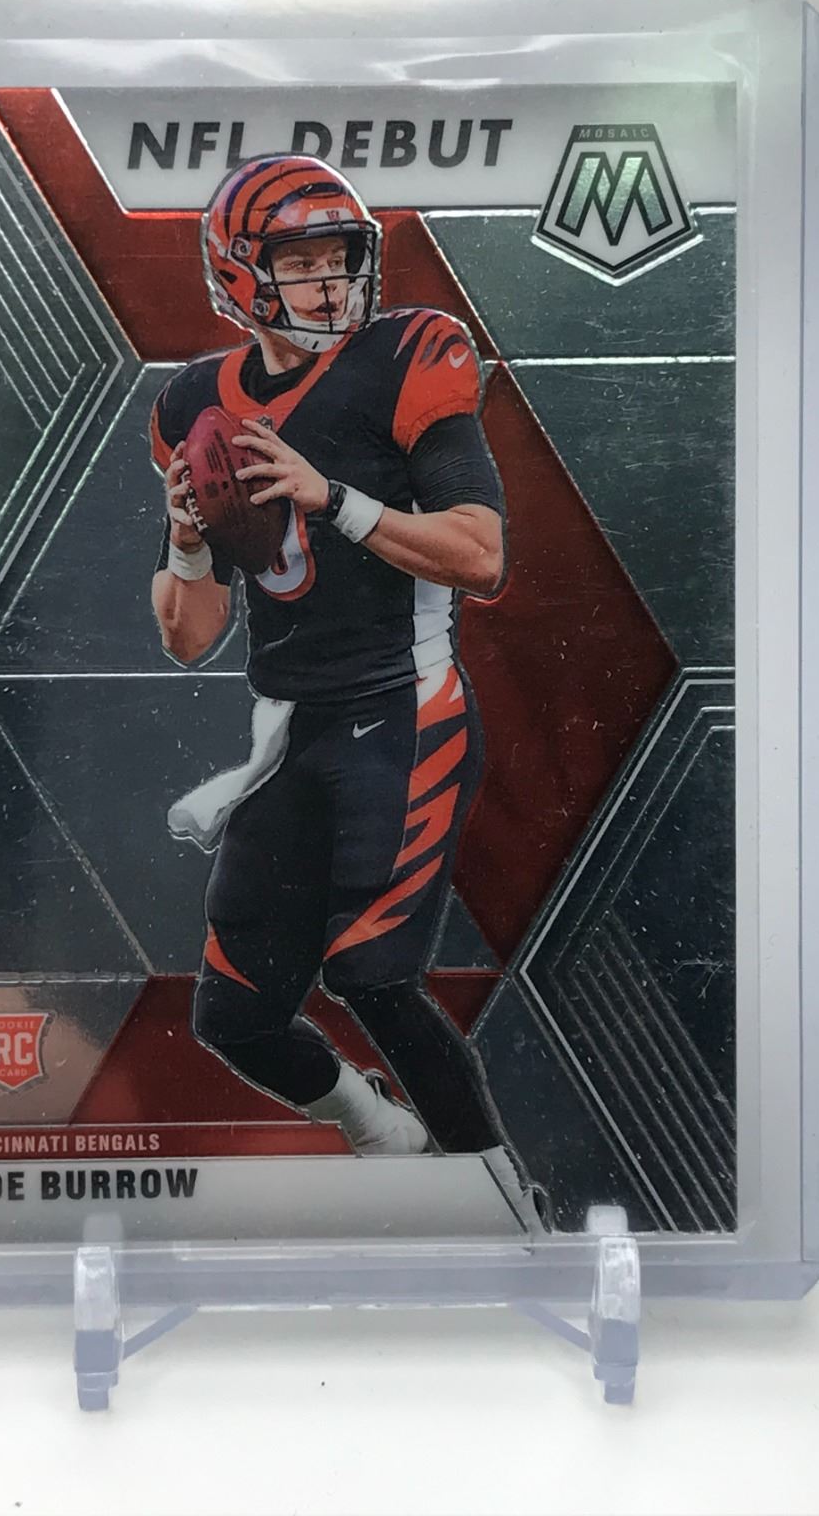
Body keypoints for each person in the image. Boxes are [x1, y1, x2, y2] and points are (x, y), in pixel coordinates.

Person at [149, 153, 537, 1225]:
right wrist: (188, 541)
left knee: (372, 973)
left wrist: (335, 500)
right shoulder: (194, 404)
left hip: (405, 709)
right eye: (302, 263)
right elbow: (190, 636)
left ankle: (507, 1213)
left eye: (341, 259)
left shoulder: (407, 356)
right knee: (234, 1016)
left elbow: (481, 555)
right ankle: (385, 1133)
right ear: (240, 273)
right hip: (292, 732)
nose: (330, 283)